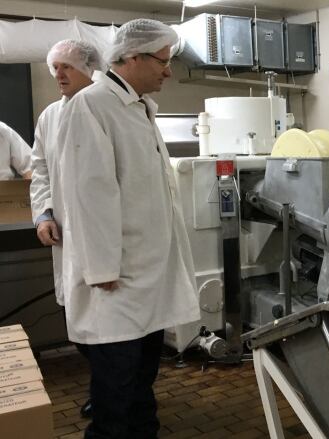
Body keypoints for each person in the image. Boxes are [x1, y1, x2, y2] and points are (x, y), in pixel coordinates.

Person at [56, 19, 200, 439]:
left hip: (146, 282)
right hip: (114, 286)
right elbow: (89, 198)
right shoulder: (94, 106)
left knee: (140, 387)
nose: (168, 71)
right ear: (133, 58)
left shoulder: (137, 107)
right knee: (116, 395)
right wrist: (102, 270)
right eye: (163, 61)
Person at [29, 39, 105, 419]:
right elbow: (40, 169)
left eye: (67, 67)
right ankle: (107, 392)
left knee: (113, 329)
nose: (58, 74)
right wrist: (43, 214)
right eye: (54, 67)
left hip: (106, 239)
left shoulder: (109, 109)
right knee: (79, 323)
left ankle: (124, 397)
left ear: (89, 68)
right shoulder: (50, 117)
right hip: (67, 237)